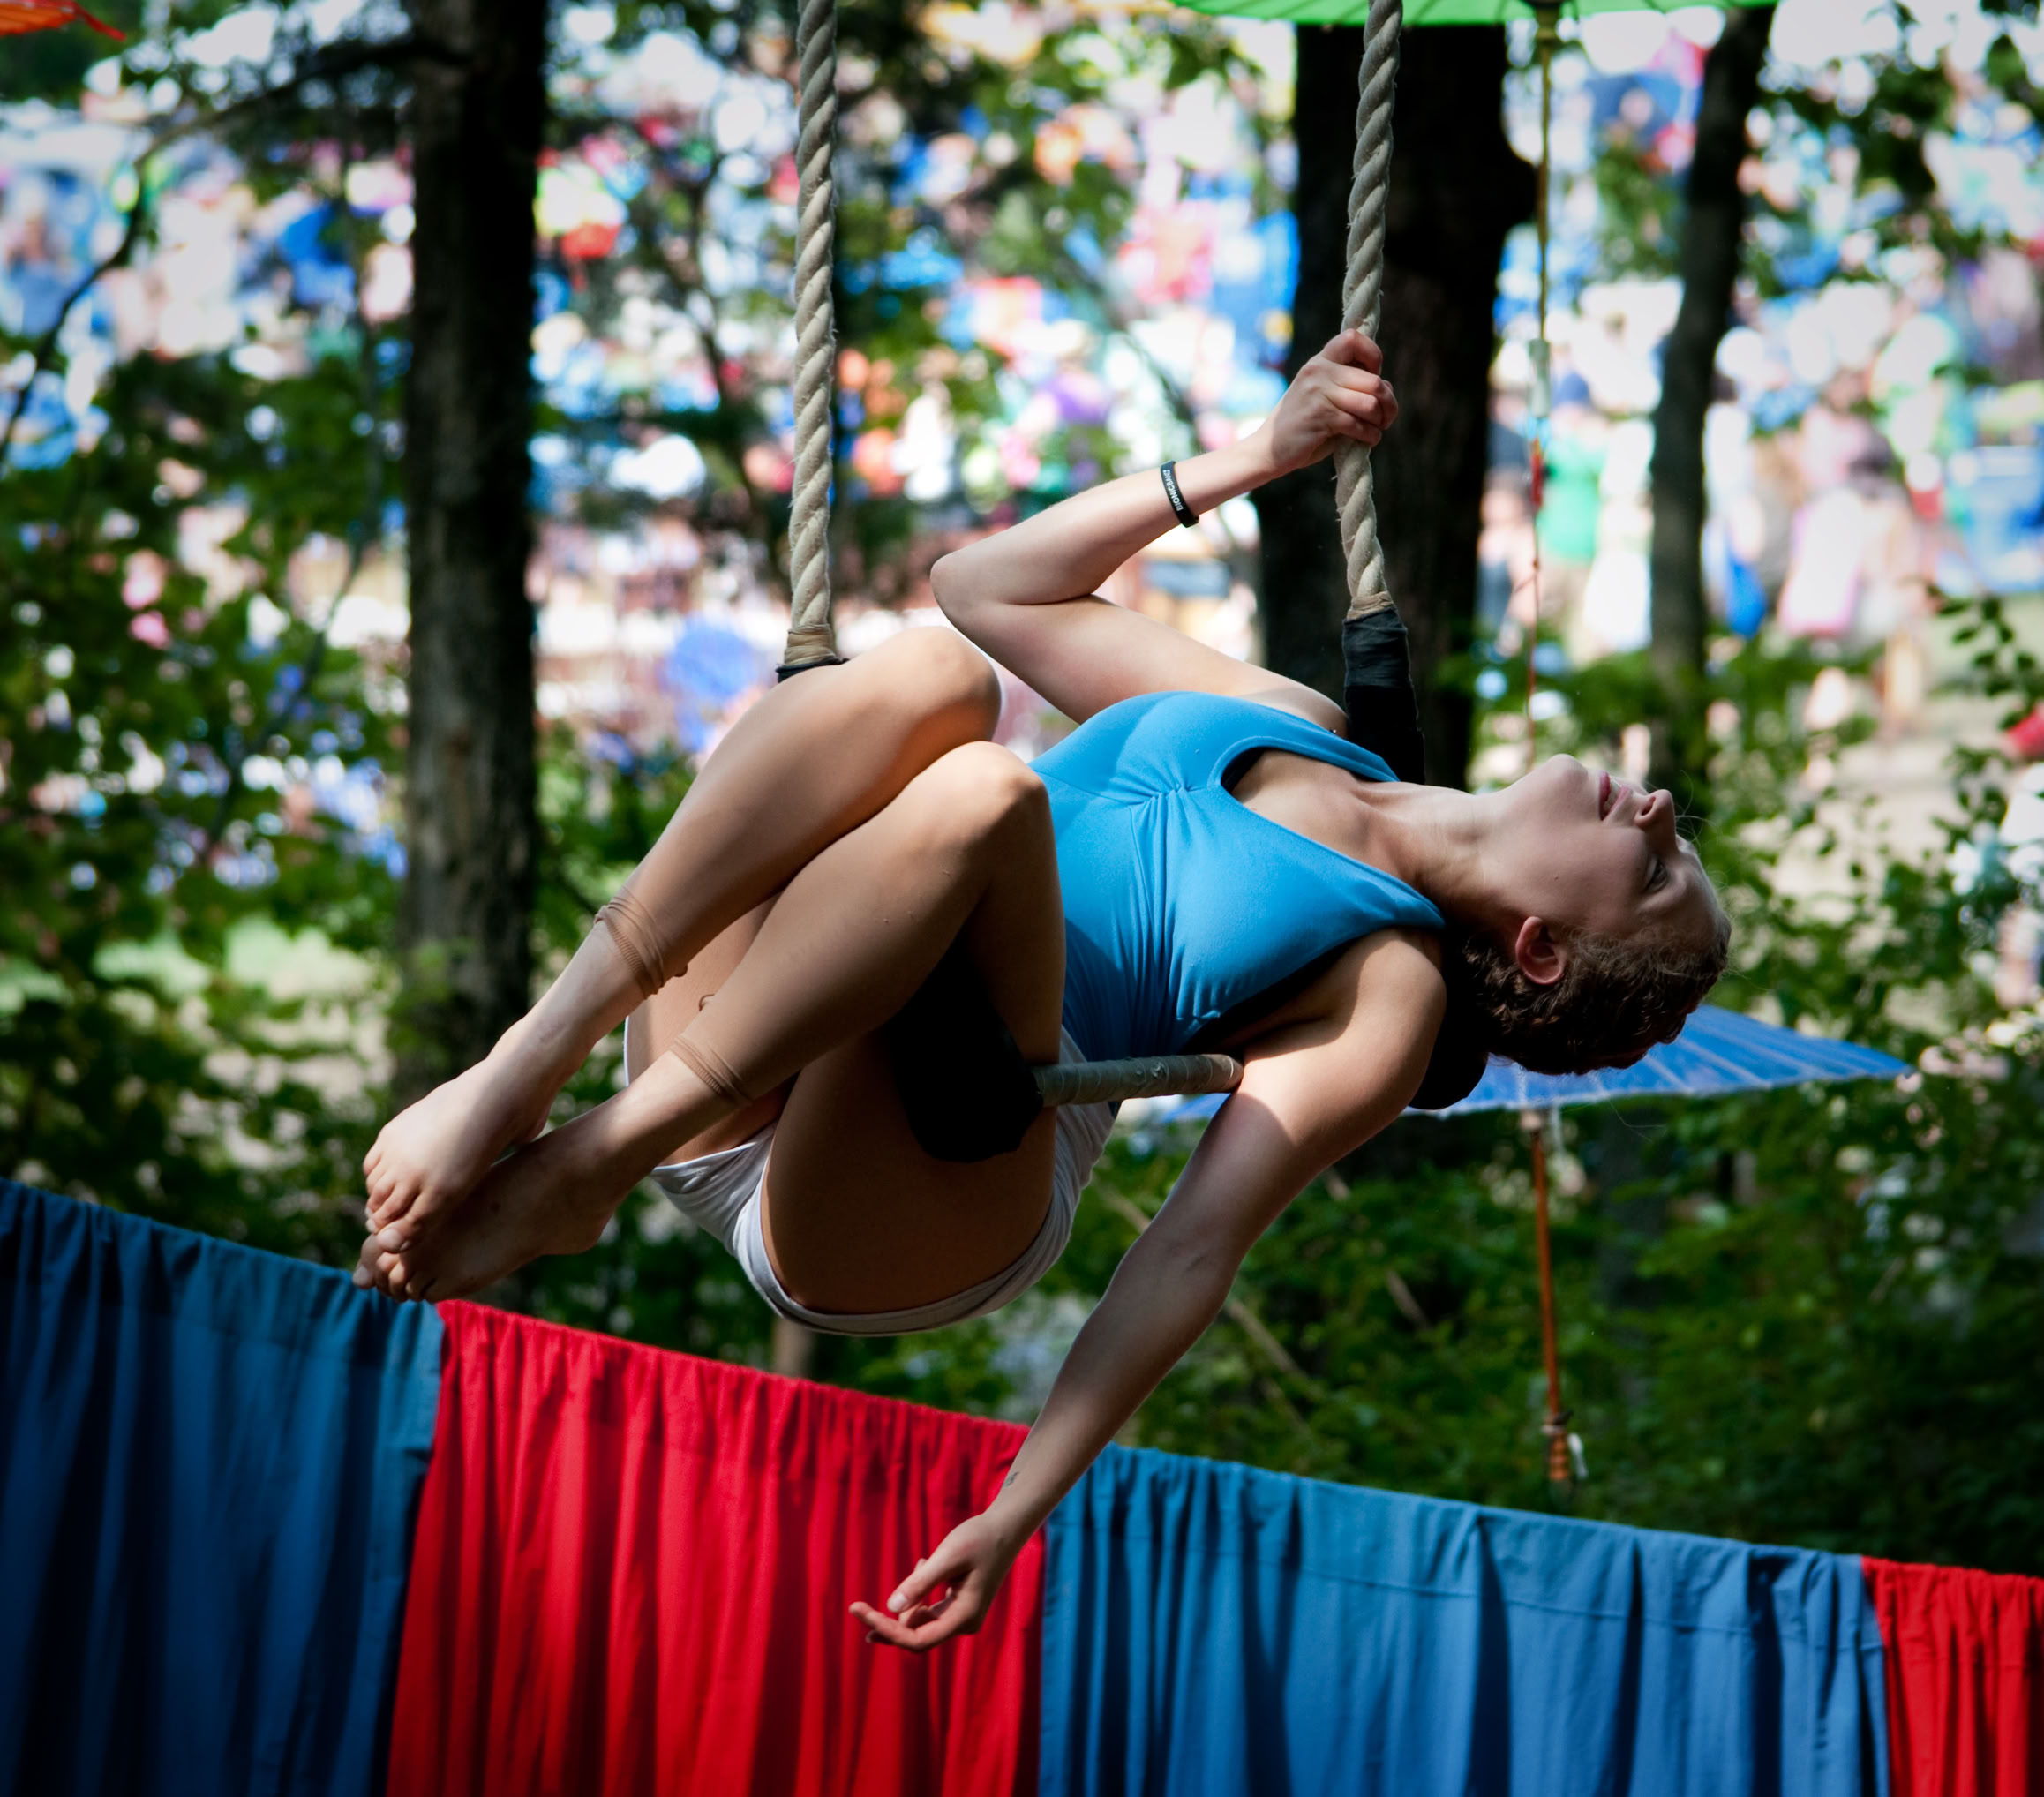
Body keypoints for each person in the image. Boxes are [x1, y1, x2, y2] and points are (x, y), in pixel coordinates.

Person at [354, 330, 1729, 1651]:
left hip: (934, 1180)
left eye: (1657, 868)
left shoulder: (1390, 989)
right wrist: (1259, 452)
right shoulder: (1298, 725)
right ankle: (527, 1067)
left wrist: (1022, 1505)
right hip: (770, 1039)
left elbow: (1190, 1250)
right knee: (936, 680)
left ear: (1543, 947)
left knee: (982, 794)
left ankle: (590, 1161)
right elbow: (988, 586)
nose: (1658, 805)